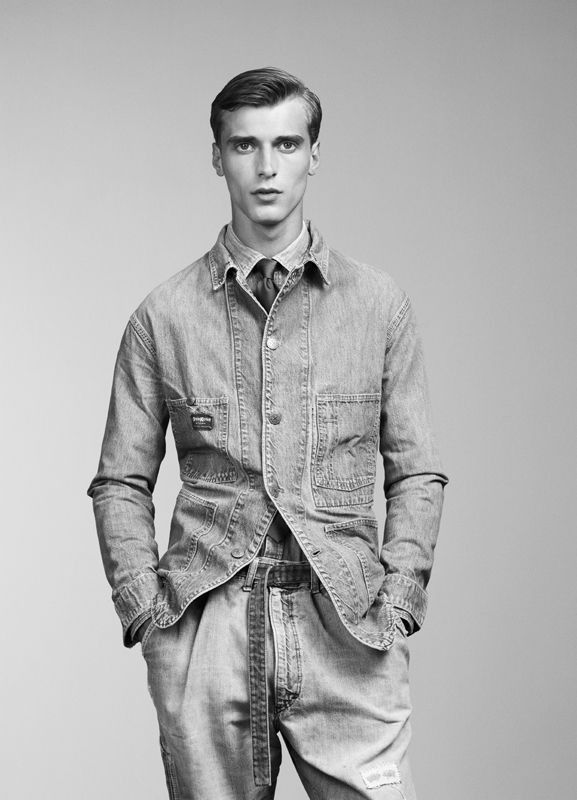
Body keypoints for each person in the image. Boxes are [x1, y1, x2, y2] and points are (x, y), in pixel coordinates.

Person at [87, 66, 449, 800]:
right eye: (245, 145)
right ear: (216, 156)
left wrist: (400, 597)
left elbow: (415, 471)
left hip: (347, 622)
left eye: (286, 144)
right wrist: (146, 610)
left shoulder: (378, 306)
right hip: (207, 623)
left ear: (315, 154)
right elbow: (120, 481)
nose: (266, 167)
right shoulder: (163, 317)